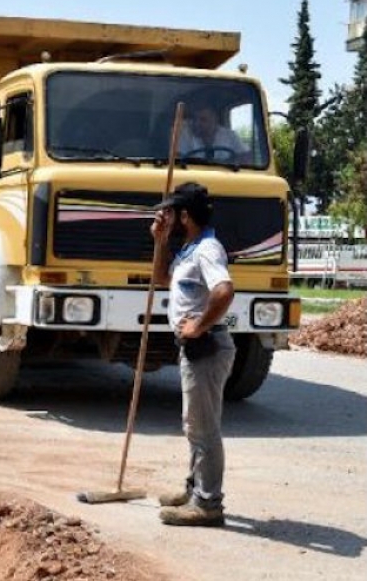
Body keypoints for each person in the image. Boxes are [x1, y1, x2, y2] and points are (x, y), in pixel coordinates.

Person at [150, 182, 237, 527]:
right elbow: (160, 277)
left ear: (185, 215)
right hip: (195, 347)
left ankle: (208, 503)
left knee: (203, 428)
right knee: (194, 425)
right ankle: (194, 488)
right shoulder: (190, 248)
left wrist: (198, 326)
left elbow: (224, 291)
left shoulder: (208, 249)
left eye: (171, 212)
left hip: (207, 347)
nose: (166, 217)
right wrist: (159, 240)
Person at [178, 104, 246, 161]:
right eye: (194, 119)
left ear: (214, 120)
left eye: (203, 120)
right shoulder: (185, 135)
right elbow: (179, 158)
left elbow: (245, 155)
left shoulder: (229, 135)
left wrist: (229, 163)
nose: (196, 123)